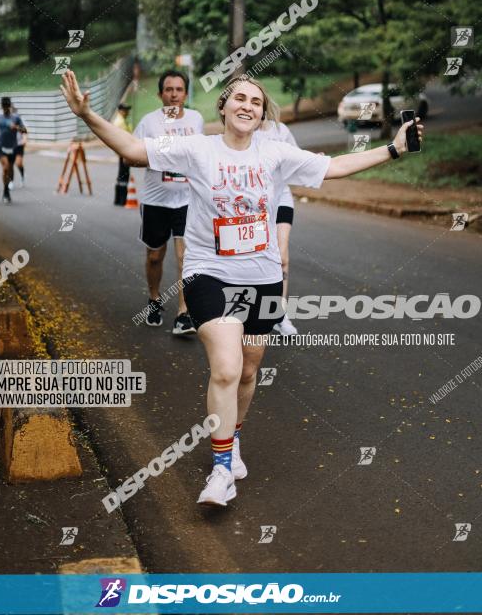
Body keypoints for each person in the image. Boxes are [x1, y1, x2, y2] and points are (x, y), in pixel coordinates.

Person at [61, 69, 424, 507]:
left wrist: (395, 148)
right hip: (208, 272)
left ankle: (231, 441)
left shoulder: (275, 154)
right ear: (224, 106)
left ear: (261, 112)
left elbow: (336, 166)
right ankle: (219, 472)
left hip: (263, 276)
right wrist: (87, 115)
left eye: (256, 101)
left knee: (249, 371)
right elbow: (135, 150)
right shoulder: (197, 148)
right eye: (240, 99)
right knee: (227, 368)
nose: (248, 106)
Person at [132, 70, 204, 336]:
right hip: (155, 201)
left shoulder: (196, 120)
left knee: (185, 256)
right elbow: (131, 156)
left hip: (187, 199)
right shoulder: (149, 123)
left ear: (186, 93)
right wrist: (161, 158)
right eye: (169, 89)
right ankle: (154, 299)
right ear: (161, 93)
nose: (174, 94)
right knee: (154, 257)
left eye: (179, 89)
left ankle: (184, 313)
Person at [255, 118, 299, 336]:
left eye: (256, 102)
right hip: (254, 202)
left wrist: (312, 161)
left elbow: (296, 157)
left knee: (282, 257)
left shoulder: (280, 130)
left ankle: (280, 316)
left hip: (281, 198)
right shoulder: (243, 131)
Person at [0, 98, 26, 203]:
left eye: (7, 106)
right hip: (0, 147)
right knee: (5, 168)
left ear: (10, 106)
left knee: (10, 169)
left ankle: (7, 188)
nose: (5, 108)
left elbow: (24, 130)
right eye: (4, 106)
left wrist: (17, 128)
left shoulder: (16, 118)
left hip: (12, 148)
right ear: (1, 106)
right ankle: (5, 191)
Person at [112, 103, 132, 206]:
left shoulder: (121, 121)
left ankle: (118, 199)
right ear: (120, 110)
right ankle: (121, 199)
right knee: (124, 175)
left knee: (121, 175)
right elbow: (125, 138)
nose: (128, 112)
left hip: (122, 152)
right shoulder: (120, 122)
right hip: (124, 152)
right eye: (126, 110)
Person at [9, 104, 27, 190]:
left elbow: (24, 131)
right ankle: (11, 181)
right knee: (10, 165)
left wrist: (24, 139)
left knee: (18, 163)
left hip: (19, 145)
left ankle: (23, 176)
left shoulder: (20, 120)